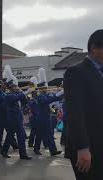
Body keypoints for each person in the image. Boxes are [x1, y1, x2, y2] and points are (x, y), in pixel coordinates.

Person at [64, 30, 103, 180]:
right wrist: (82, 148)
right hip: (89, 148)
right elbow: (75, 113)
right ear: (94, 48)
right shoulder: (76, 72)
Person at [0, 69, 32, 160]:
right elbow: (14, 99)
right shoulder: (8, 94)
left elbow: (25, 101)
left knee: (21, 136)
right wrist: (25, 92)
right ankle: (4, 150)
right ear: (10, 87)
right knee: (10, 136)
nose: (16, 87)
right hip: (12, 118)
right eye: (14, 86)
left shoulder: (18, 93)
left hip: (18, 117)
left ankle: (23, 154)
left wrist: (23, 92)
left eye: (16, 85)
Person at [33, 68, 63, 156]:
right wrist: (57, 94)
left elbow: (53, 100)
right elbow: (46, 101)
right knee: (39, 135)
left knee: (49, 134)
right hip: (41, 118)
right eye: (45, 88)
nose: (46, 89)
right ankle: (36, 148)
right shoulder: (40, 95)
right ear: (42, 88)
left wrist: (60, 93)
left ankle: (53, 150)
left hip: (47, 117)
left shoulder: (45, 94)